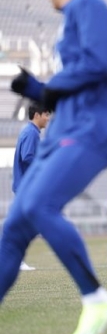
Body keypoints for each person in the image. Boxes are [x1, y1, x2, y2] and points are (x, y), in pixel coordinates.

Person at [0, 0, 107, 334]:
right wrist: (35, 89)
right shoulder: (73, 19)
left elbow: (100, 63)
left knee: (39, 206)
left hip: (91, 130)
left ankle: (96, 298)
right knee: (14, 227)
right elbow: (72, 86)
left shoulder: (87, 5)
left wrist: (52, 85)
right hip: (64, 130)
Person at [12, 103, 51, 271]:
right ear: (37, 115)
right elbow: (27, 157)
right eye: (46, 114)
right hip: (25, 186)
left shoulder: (30, 132)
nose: (48, 118)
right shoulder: (31, 133)